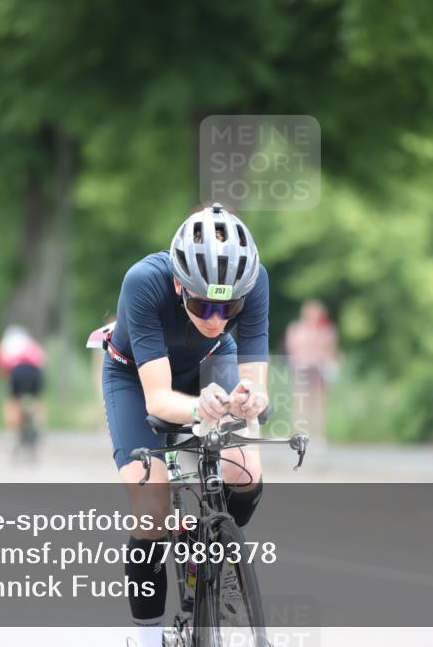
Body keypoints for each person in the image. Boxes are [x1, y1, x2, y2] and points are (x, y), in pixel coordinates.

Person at [100, 202, 268, 647]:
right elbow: (158, 399)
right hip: (135, 375)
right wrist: (199, 410)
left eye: (228, 307)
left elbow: (257, 386)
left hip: (209, 364)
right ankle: (149, 637)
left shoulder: (256, 282)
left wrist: (251, 399)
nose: (216, 319)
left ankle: (214, 555)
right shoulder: (143, 281)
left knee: (244, 469)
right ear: (179, 284)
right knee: (152, 505)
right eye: (202, 305)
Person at [285, 299, 339, 445]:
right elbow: (292, 348)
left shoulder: (326, 330)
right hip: (302, 369)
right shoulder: (297, 328)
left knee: (318, 404)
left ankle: (318, 435)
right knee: (300, 403)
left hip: (318, 370)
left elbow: (331, 350)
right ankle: (300, 434)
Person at [0, 324, 47, 440]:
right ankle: (38, 422)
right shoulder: (30, 342)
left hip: (16, 370)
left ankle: (12, 429)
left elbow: (2, 368)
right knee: (36, 399)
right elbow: (43, 359)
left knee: (13, 401)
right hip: (34, 371)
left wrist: (8, 378)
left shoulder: (4, 344)